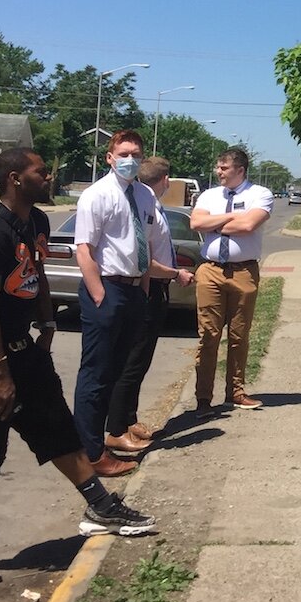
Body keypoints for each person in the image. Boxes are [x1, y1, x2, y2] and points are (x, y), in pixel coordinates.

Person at [0, 148, 155, 584]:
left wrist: (47, 323)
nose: (50, 175)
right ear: (16, 179)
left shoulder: (36, 222)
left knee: (58, 428)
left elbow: (36, 271)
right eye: (41, 171)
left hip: (23, 347)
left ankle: (99, 506)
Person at [73, 129, 158, 476]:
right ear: (109, 157)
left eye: (136, 154)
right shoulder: (97, 195)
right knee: (96, 374)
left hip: (135, 290)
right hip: (106, 289)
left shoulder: (145, 194)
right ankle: (89, 455)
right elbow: (84, 250)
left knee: (118, 371)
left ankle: (109, 439)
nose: (130, 160)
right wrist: (98, 295)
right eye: (123, 154)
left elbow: (147, 244)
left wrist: (145, 288)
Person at [104, 156, 195, 452]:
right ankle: (115, 429)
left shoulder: (152, 204)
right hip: (148, 287)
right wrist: (175, 272)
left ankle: (129, 420)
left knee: (140, 363)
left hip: (156, 288)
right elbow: (144, 257)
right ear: (166, 180)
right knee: (132, 363)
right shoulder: (145, 207)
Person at [189, 147, 274, 414]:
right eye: (218, 167)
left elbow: (249, 226)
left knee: (239, 335)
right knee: (208, 335)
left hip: (243, 273)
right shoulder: (209, 194)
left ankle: (235, 392)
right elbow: (195, 223)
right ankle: (203, 398)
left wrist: (212, 223)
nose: (218, 172)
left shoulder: (260, 194)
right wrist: (231, 217)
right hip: (210, 271)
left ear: (240, 170)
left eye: (224, 168)